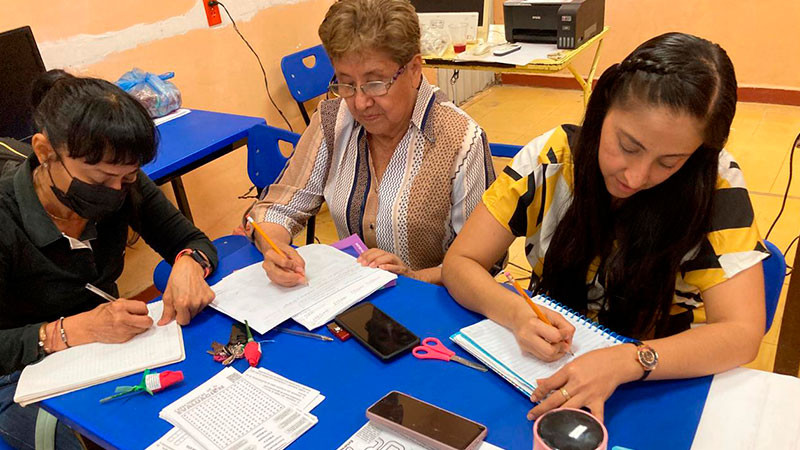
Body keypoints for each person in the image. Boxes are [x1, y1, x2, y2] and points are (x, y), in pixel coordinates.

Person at [442, 33, 767, 422]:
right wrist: (516, 315)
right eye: (628, 146)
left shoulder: (715, 187)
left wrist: (630, 360)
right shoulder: (554, 160)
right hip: (544, 369)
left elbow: (742, 333)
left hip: (660, 380)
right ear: (603, 106)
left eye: (669, 162)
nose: (636, 176)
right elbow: (460, 261)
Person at [0, 70, 218, 448]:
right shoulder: (5, 217)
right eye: (100, 181)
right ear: (44, 151)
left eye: (129, 177)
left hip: (108, 348)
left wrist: (187, 263)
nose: (116, 192)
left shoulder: (121, 181)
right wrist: (66, 332)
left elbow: (192, 241)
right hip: (18, 370)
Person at [247, 0, 495, 286]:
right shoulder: (332, 121)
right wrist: (276, 250)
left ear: (415, 69)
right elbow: (278, 209)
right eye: (346, 83)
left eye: (376, 83)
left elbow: (482, 261)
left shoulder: (461, 140)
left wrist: (412, 279)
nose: (361, 103)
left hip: (432, 306)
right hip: (353, 299)